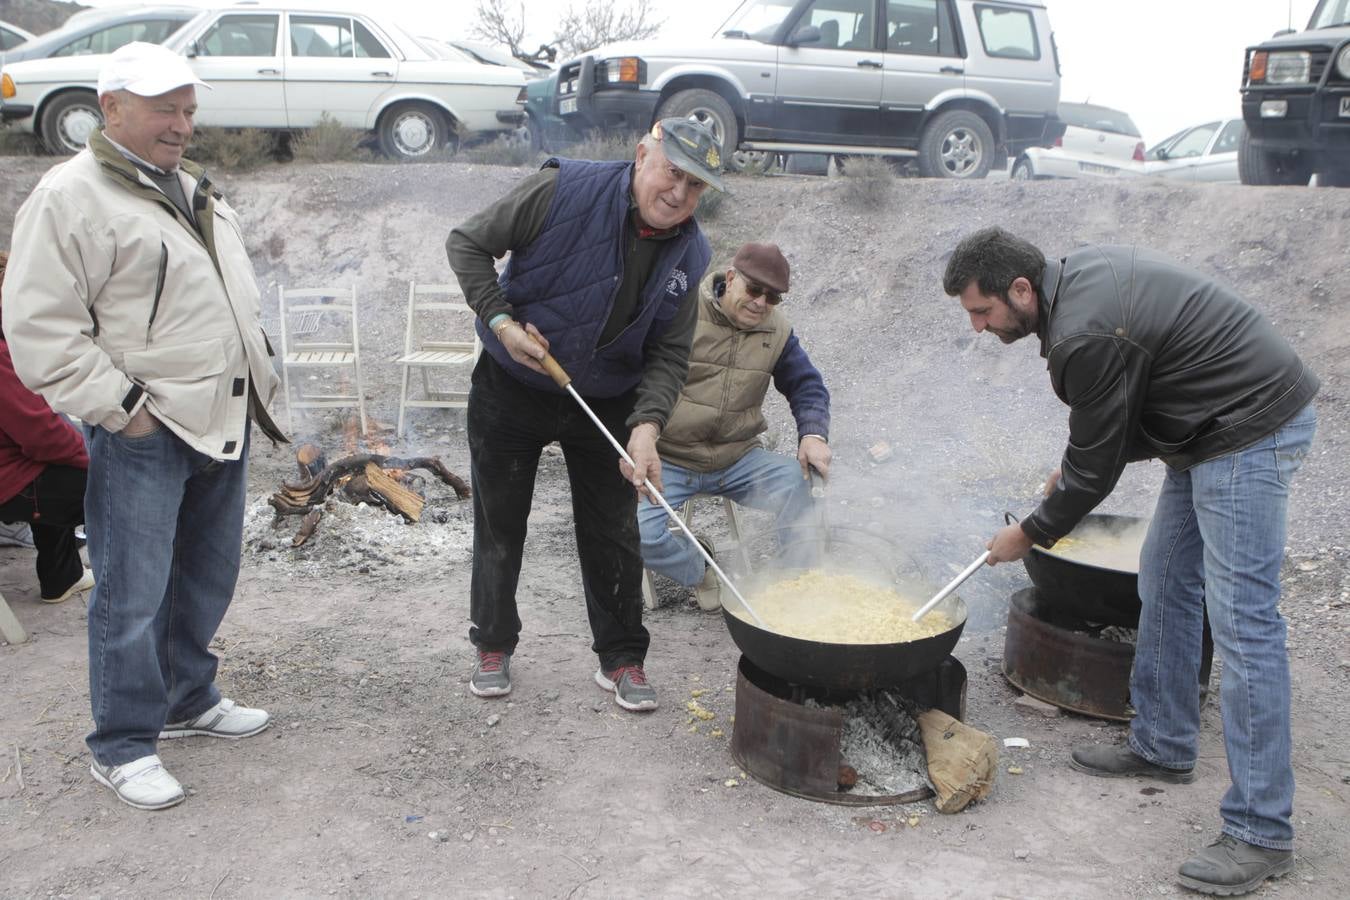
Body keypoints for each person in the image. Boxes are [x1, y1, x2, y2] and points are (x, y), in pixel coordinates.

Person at [943, 227, 1317, 896]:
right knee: (1165, 579)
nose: (978, 326)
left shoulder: (1079, 333)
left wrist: (1025, 535)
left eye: (982, 310)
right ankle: (1165, 744)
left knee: (1245, 624)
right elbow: (1118, 407)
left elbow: (1096, 473)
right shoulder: (1074, 285)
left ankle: (1262, 833)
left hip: (1249, 427)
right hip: (1207, 428)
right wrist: (1080, 460)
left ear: (1020, 289)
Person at [5, 43, 287, 811]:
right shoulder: (71, 196)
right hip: (145, 428)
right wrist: (120, 410)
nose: (181, 124)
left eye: (189, 110)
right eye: (165, 108)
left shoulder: (189, 186)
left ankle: (186, 699)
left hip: (219, 416)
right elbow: (37, 327)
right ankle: (123, 743)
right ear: (112, 108)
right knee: (130, 593)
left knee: (203, 575)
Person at [446, 117, 724, 712]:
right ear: (642, 154)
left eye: (696, 184)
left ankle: (622, 658)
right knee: (501, 523)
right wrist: (500, 321)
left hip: (606, 397)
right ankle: (493, 644)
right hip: (513, 381)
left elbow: (670, 352)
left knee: (613, 531)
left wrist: (647, 428)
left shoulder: (691, 251)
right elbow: (467, 243)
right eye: (673, 172)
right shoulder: (561, 188)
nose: (680, 194)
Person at [638, 241, 830, 610]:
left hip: (737, 459)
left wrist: (813, 434)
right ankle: (701, 568)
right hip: (670, 458)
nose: (761, 303)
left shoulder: (778, 333)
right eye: (754, 289)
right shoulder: (679, 312)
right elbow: (632, 374)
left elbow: (807, 385)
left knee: (803, 485)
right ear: (730, 279)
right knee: (638, 533)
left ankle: (796, 590)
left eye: (773, 297)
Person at [0, 250, 94, 605]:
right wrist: (96, 458)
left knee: (60, 451)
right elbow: (42, 435)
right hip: (8, 479)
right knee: (118, 483)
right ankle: (139, 588)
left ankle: (63, 576)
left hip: (13, 465)